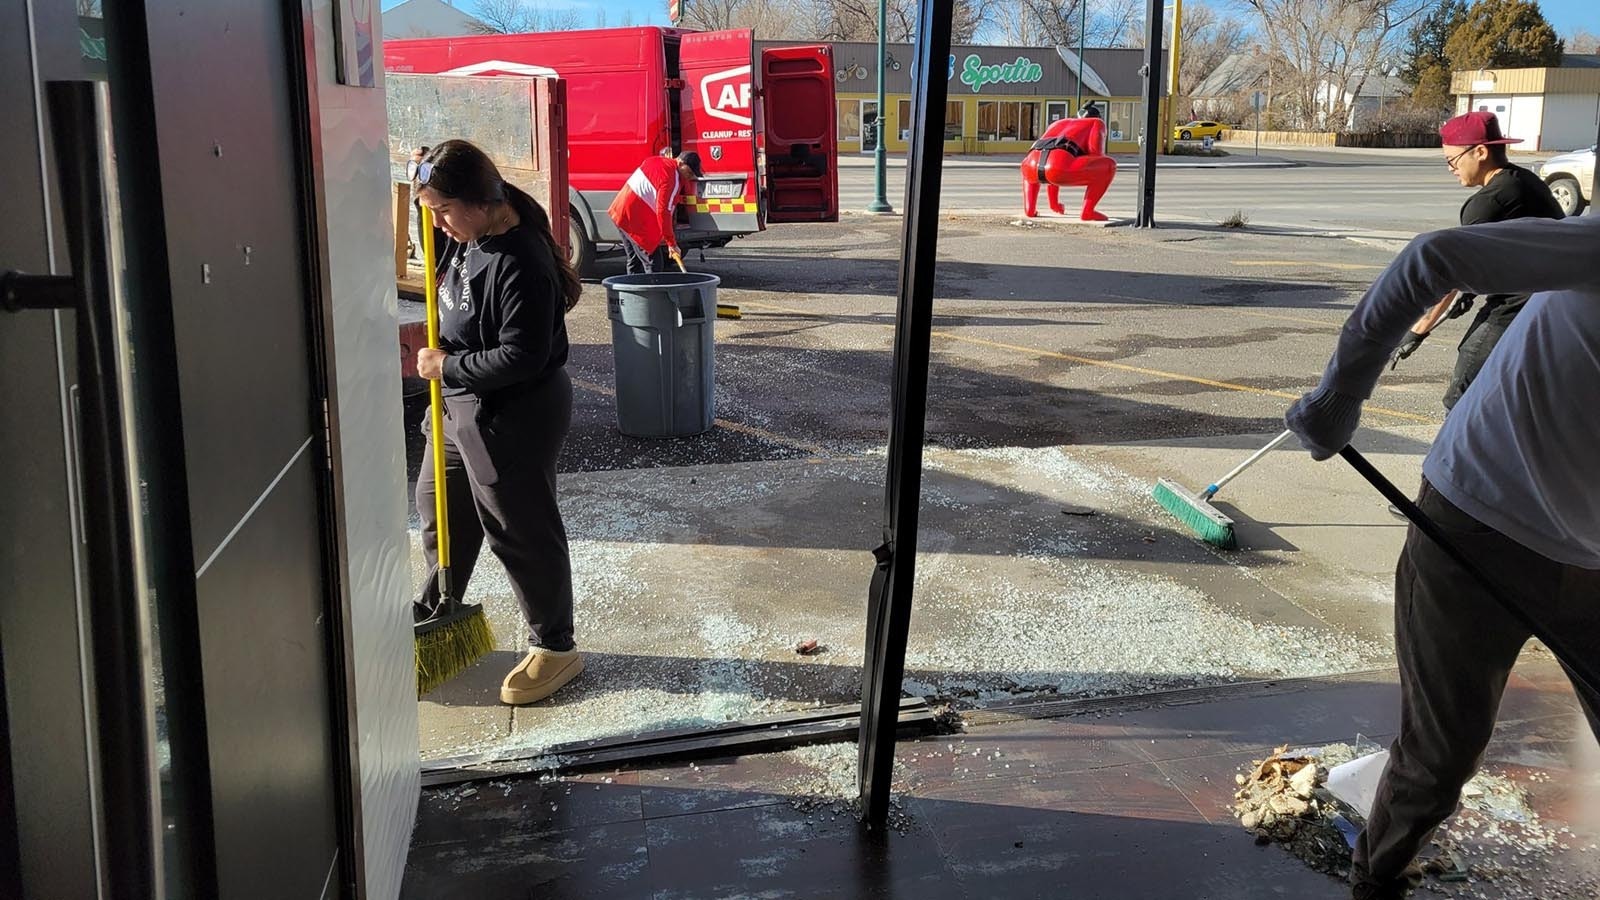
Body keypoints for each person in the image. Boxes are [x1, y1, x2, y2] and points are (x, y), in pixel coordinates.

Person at [1284, 213, 1600, 900]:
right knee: (1441, 754)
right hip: (1478, 520)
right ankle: (1377, 877)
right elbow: (1435, 258)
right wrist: (1341, 393)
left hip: (1592, 560)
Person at [411, 139, 586, 706]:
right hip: (456, 408)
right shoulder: (466, 235)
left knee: (518, 530)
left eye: (443, 210)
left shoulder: (520, 261)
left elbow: (523, 356)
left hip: (512, 414)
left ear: (481, 201)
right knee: (439, 510)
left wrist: (446, 366)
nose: (437, 223)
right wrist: (423, 184)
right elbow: (437, 243)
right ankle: (440, 610)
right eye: (431, 211)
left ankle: (555, 647)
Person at [1388, 112, 1563, 411]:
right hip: (1555, 300)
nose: (1451, 169)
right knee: (1512, 389)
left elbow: (1452, 274)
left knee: (1463, 391)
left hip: (1520, 304)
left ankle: (1458, 441)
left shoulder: (1488, 203)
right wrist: (1469, 292)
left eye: (1452, 160)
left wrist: (1419, 330)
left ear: (1480, 152)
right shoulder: (1524, 181)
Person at [607, 150, 702, 274]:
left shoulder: (658, 161)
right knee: (653, 263)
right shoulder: (671, 178)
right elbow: (663, 211)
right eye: (689, 172)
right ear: (680, 163)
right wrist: (671, 243)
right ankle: (653, 286)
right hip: (633, 219)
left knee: (635, 261)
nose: (689, 176)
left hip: (620, 210)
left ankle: (632, 285)